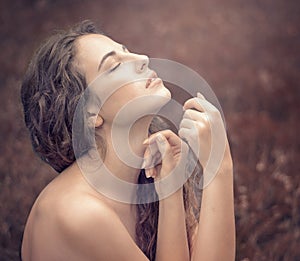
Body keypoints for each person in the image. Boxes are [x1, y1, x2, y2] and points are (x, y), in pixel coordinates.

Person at [20, 20, 235, 261]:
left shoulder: (148, 176)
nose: (142, 58)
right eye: (114, 67)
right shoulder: (78, 213)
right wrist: (219, 168)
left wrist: (170, 191)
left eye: (127, 50)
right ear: (91, 114)